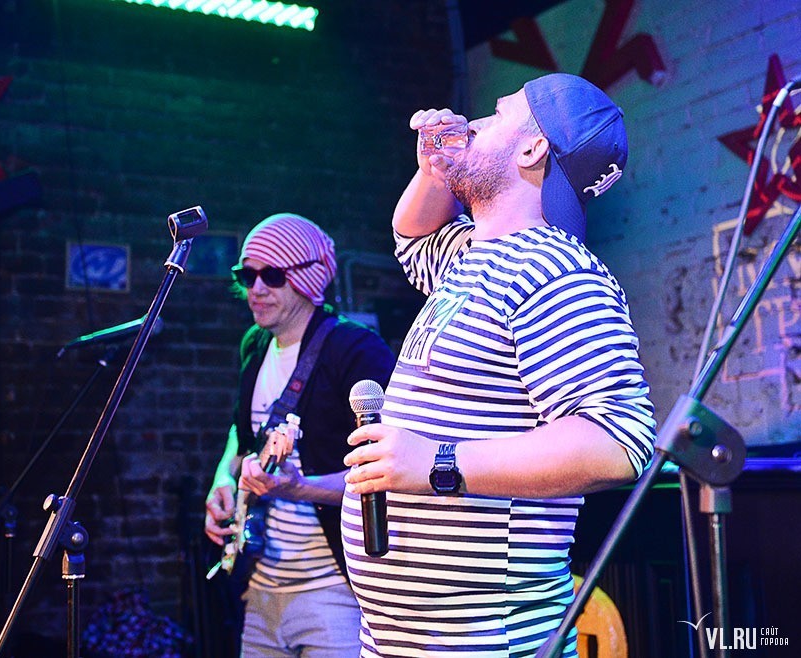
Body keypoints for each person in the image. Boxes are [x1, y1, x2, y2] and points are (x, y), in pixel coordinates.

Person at [340, 73, 657, 657]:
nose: (474, 124)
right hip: (406, 640)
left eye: (499, 113)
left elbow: (618, 442)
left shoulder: (554, 270)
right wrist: (434, 168)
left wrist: (436, 462)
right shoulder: (473, 256)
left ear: (533, 148)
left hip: (486, 639)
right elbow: (411, 235)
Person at [205, 213, 396, 657]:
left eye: (272, 275)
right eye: (247, 275)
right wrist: (223, 479)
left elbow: (388, 473)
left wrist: (299, 488)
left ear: (307, 278)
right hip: (261, 583)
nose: (256, 289)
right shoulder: (255, 344)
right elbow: (242, 433)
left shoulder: (356, 350)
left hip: (335, 592)